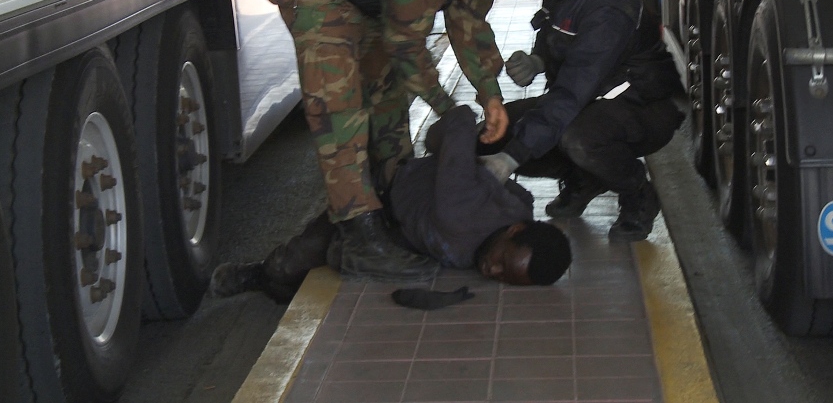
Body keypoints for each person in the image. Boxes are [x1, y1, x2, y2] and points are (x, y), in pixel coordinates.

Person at [266, 0, 552, 281]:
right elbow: (406, 47)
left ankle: (387, 197)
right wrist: (448, 110)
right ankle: (359, 233)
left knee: (388, 100)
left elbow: (467, 23)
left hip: (370, 2)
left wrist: (491, 96)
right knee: (340, 110)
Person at [211, 105, 572, 302]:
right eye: (501, 263)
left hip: (410, 226)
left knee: (342, 260)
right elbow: (461, 121)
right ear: (515, 231)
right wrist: (447, 140)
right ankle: (258, 274)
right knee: (296, 261)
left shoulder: (520, 214)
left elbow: (522, 197)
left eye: (505, 278)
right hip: (378, 198)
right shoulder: (459, 212)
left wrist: (488, 176)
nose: (492, 272)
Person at [478, 0, 685, 241]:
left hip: (642, 106)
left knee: (574, 138)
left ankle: (638, 196)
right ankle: (585, 178)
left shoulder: (610, 2)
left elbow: (574, 89)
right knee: (489, 136)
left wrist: (510, 160)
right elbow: (559, 34)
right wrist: (538, 60)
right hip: (587, 101)